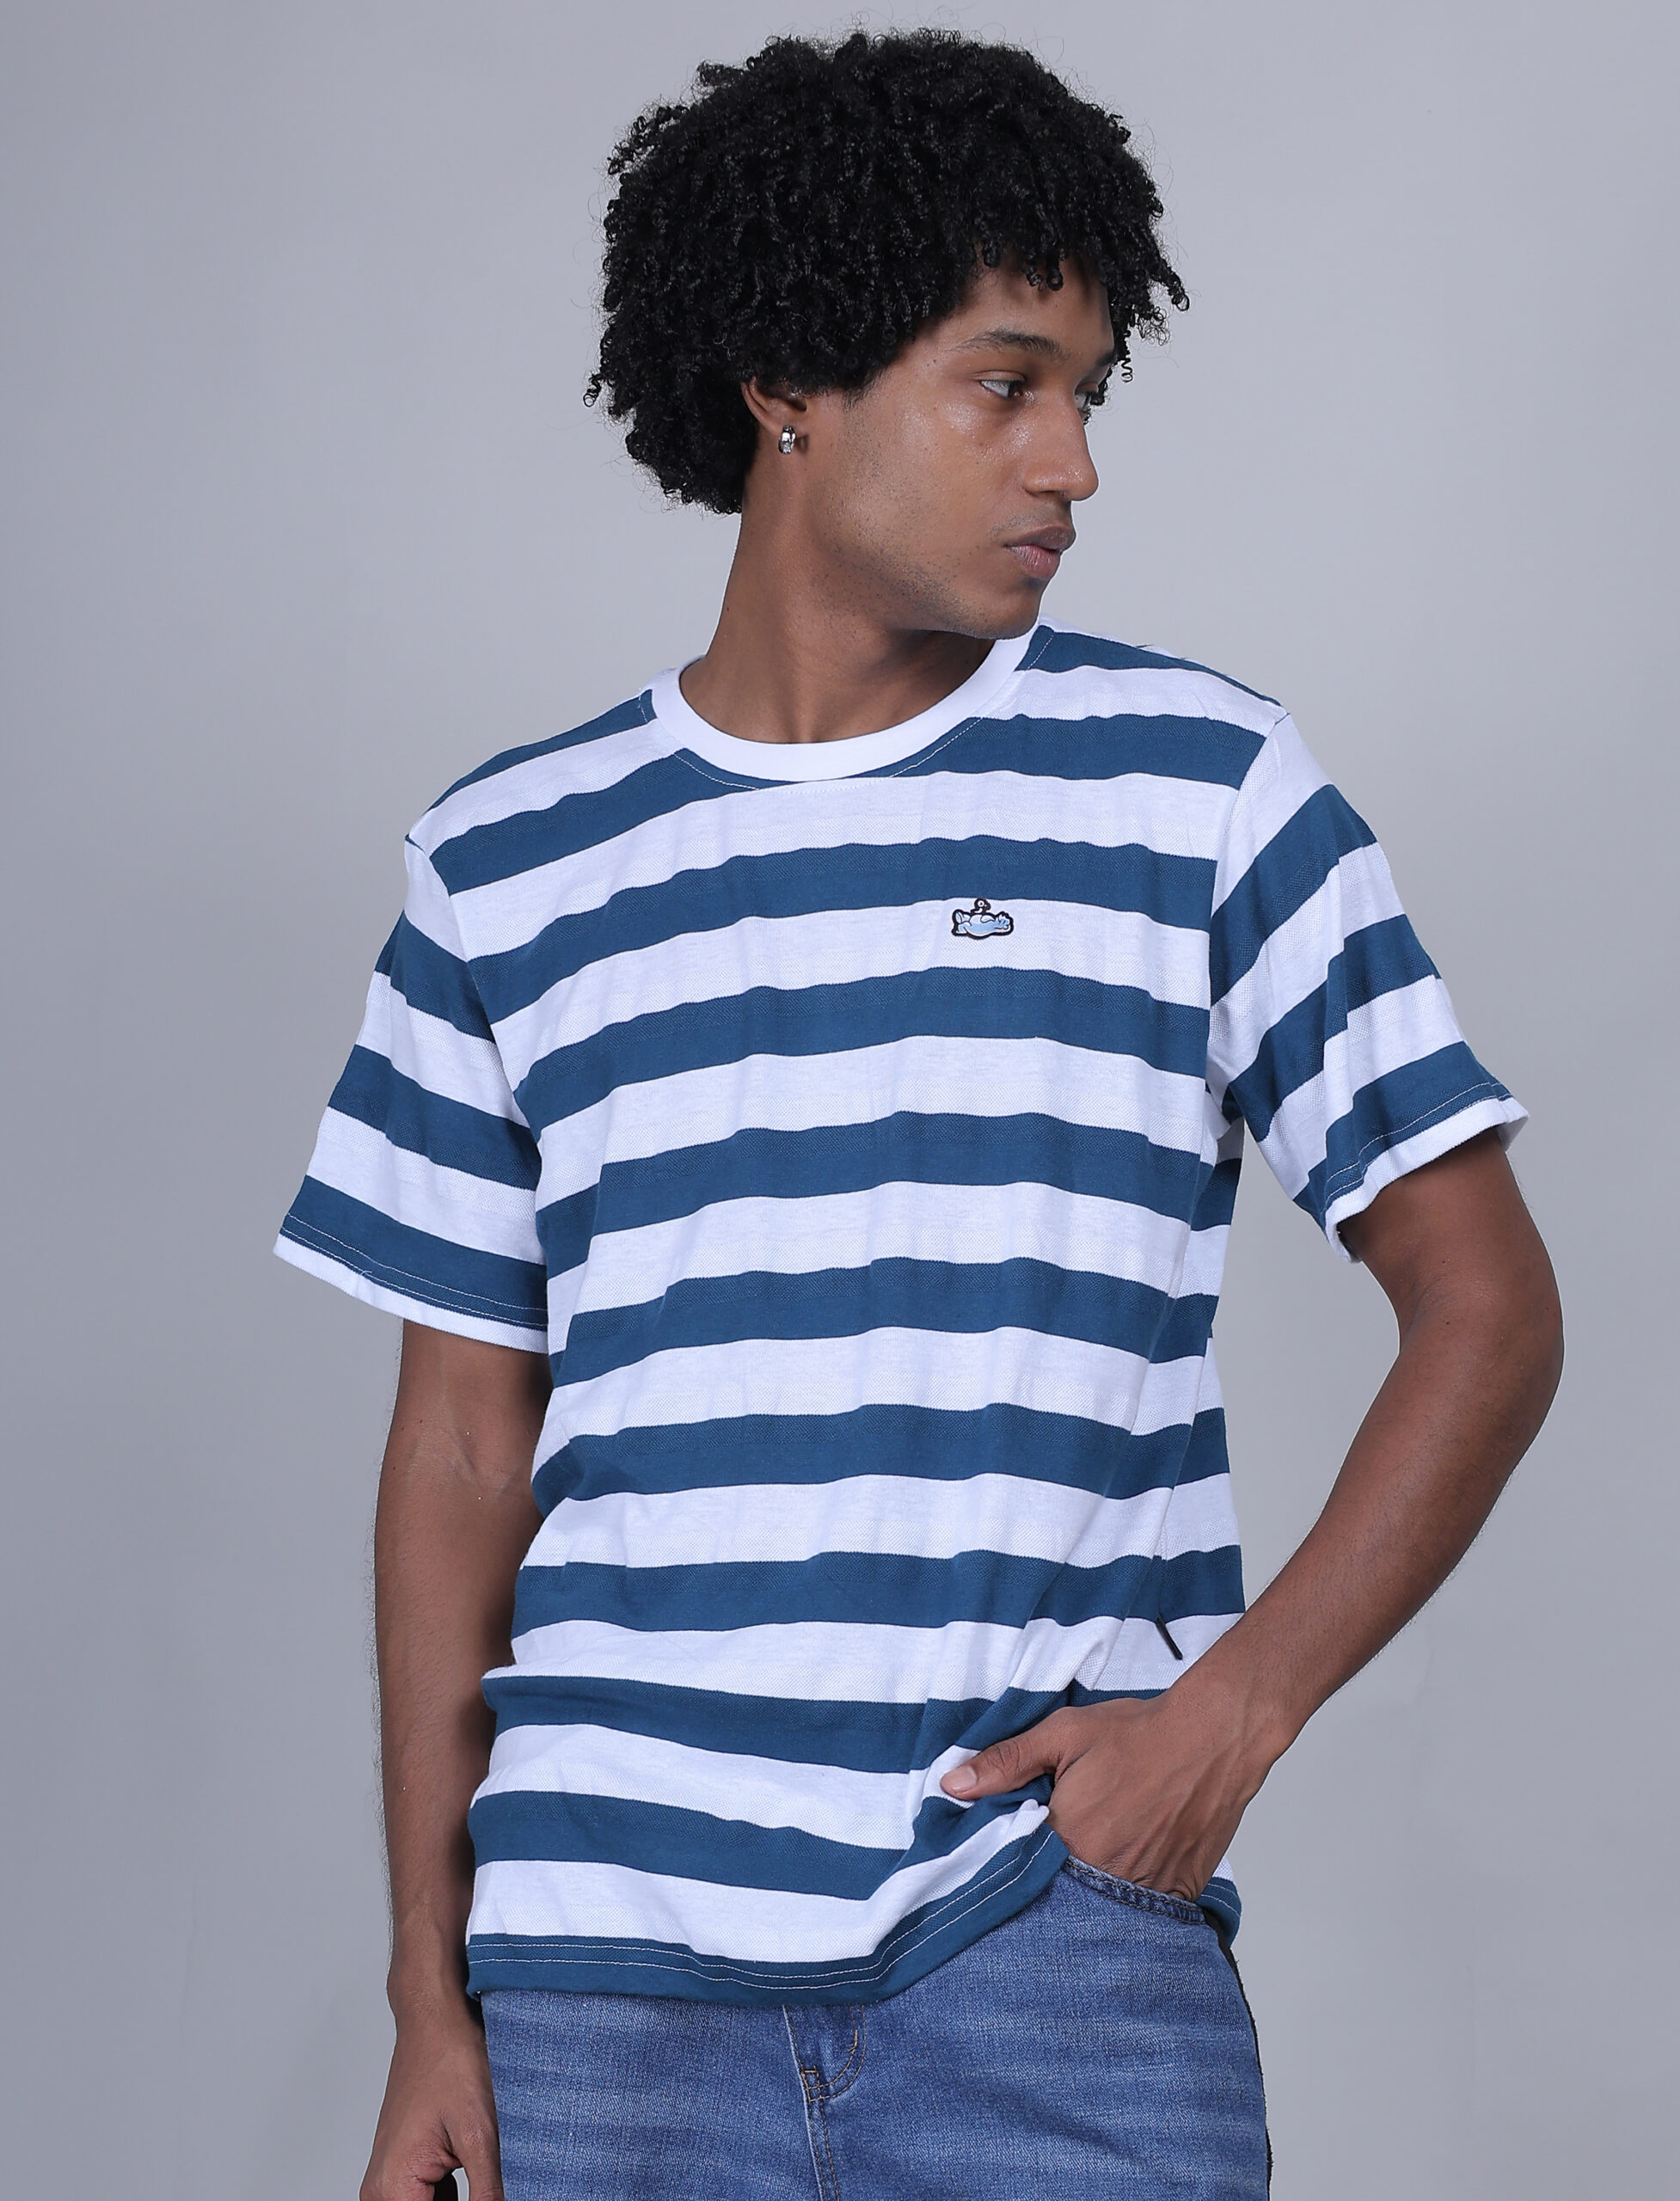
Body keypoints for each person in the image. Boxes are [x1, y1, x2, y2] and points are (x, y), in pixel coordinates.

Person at [275, 28, 1563, 2200]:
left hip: (1041, 1945)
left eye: (1087, 390)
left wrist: (1221, 1723)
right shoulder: (505, 861)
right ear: (790, 378)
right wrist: (429, 1989)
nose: (1073, 461)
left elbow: (1487, 1304)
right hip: (597, 1990)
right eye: (1006, 384)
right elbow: (463, 1447)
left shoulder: (1197, 788)